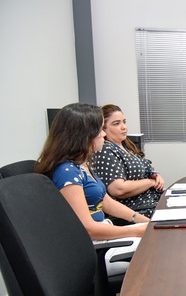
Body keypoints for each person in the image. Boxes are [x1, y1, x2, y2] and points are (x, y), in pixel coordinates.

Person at [36, 103, 150, 276]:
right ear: (84, 135)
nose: (104, 134)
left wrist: (140, 220)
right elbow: (88, 228)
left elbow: (106, 201)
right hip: (94, 249)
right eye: (99, 129)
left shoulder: (82, 164)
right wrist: (136, 230)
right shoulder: (67, 172)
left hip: (103, 238)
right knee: (157, 252)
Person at [93, 104, 164, 222]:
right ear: (103, 129)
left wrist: (155, 175)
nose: (123, 127)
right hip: (136, 211)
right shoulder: (105, 149)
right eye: (116, 124)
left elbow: (144, 168)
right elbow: (118, 189)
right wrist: (150, 182)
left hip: (152, 202)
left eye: (124, 122)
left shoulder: (127, 145)